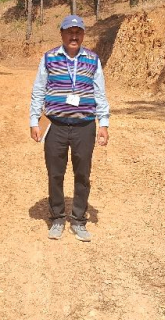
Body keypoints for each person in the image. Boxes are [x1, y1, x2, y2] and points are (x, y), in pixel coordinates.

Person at [29, 15, 109, 242]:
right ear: (62, 34)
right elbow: (39, 90)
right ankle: (57, 217)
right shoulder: (49, 58)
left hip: (84, 126)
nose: (74, 36)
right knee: (55, 173)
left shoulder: (92, 59)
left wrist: (103, 123)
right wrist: (34, 121)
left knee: (82, 174)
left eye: (78, 32)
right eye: (69, 32)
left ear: (83, 34)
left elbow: (100, 92)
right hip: (55, 126)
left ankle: (78, 220)